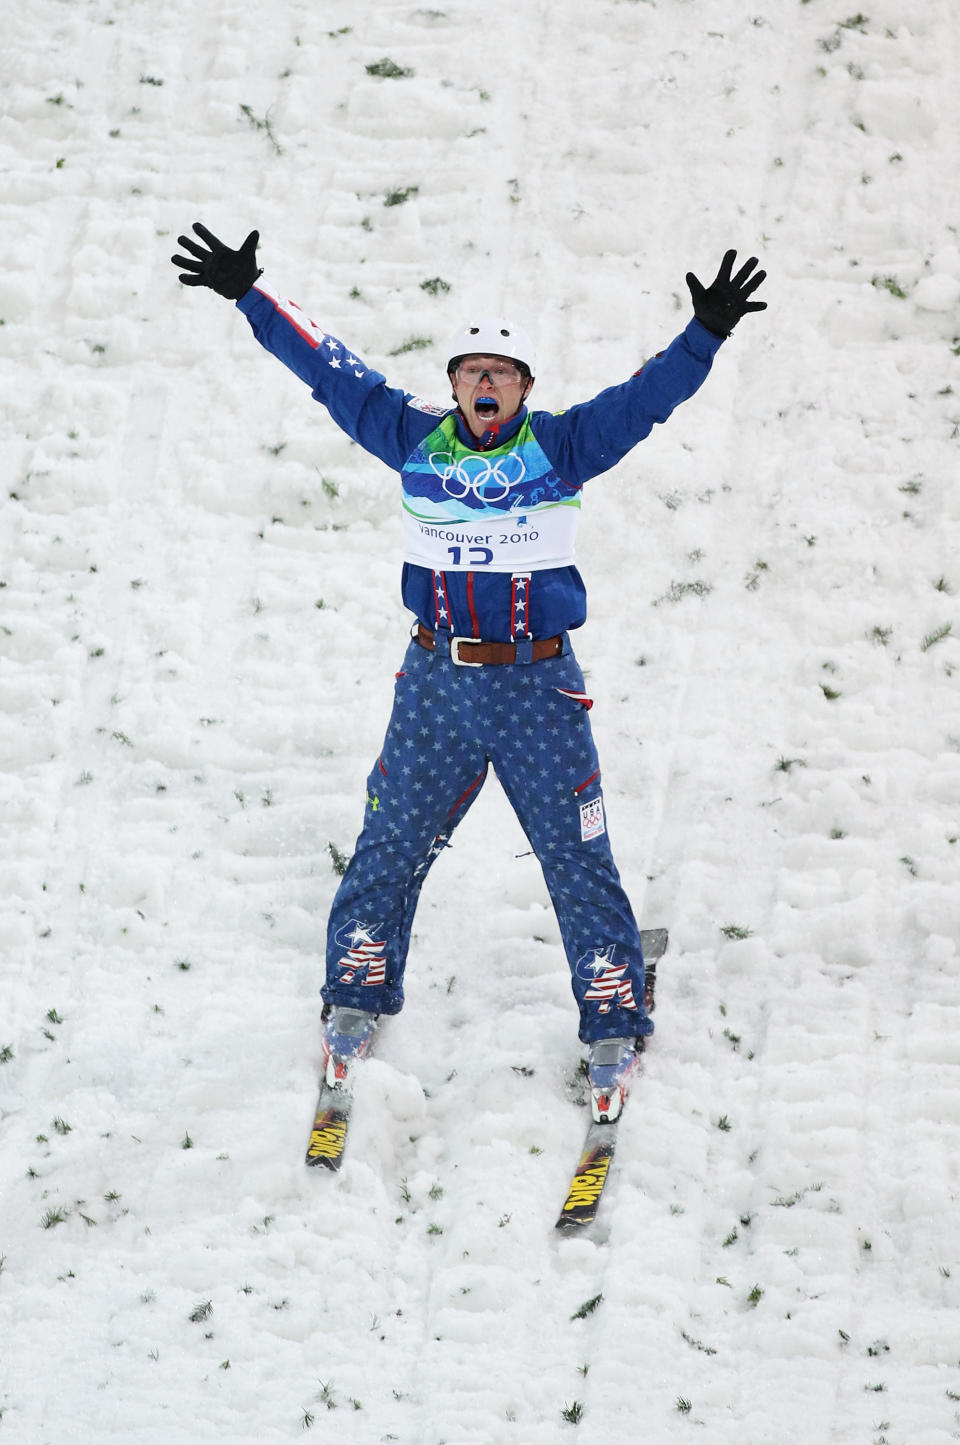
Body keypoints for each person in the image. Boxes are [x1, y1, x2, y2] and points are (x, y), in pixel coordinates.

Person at [171, 224, 766, 1121]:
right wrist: (253, 297)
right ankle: (358, 989)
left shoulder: (561, 447)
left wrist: (704, 337)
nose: (485, 383)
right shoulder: (413, 441)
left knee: (575, 854)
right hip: (437, 686)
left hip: (538, 688)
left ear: (525, 389)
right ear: (452, 384)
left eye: (503, 372)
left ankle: (611, 1014)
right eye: (471, 370)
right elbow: (333, 374)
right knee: (391, 842)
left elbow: (643, 401)